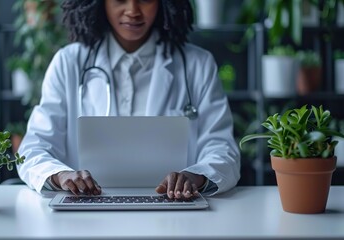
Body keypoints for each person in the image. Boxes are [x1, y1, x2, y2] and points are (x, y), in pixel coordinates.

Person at [17, 0, 240, 199]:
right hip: (87, 211)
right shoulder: (69, 63)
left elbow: (223, 149)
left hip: (173, 214)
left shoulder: (197, 65)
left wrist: (197, 176)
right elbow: (33, 148)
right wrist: (61, 175)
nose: (133, 10)